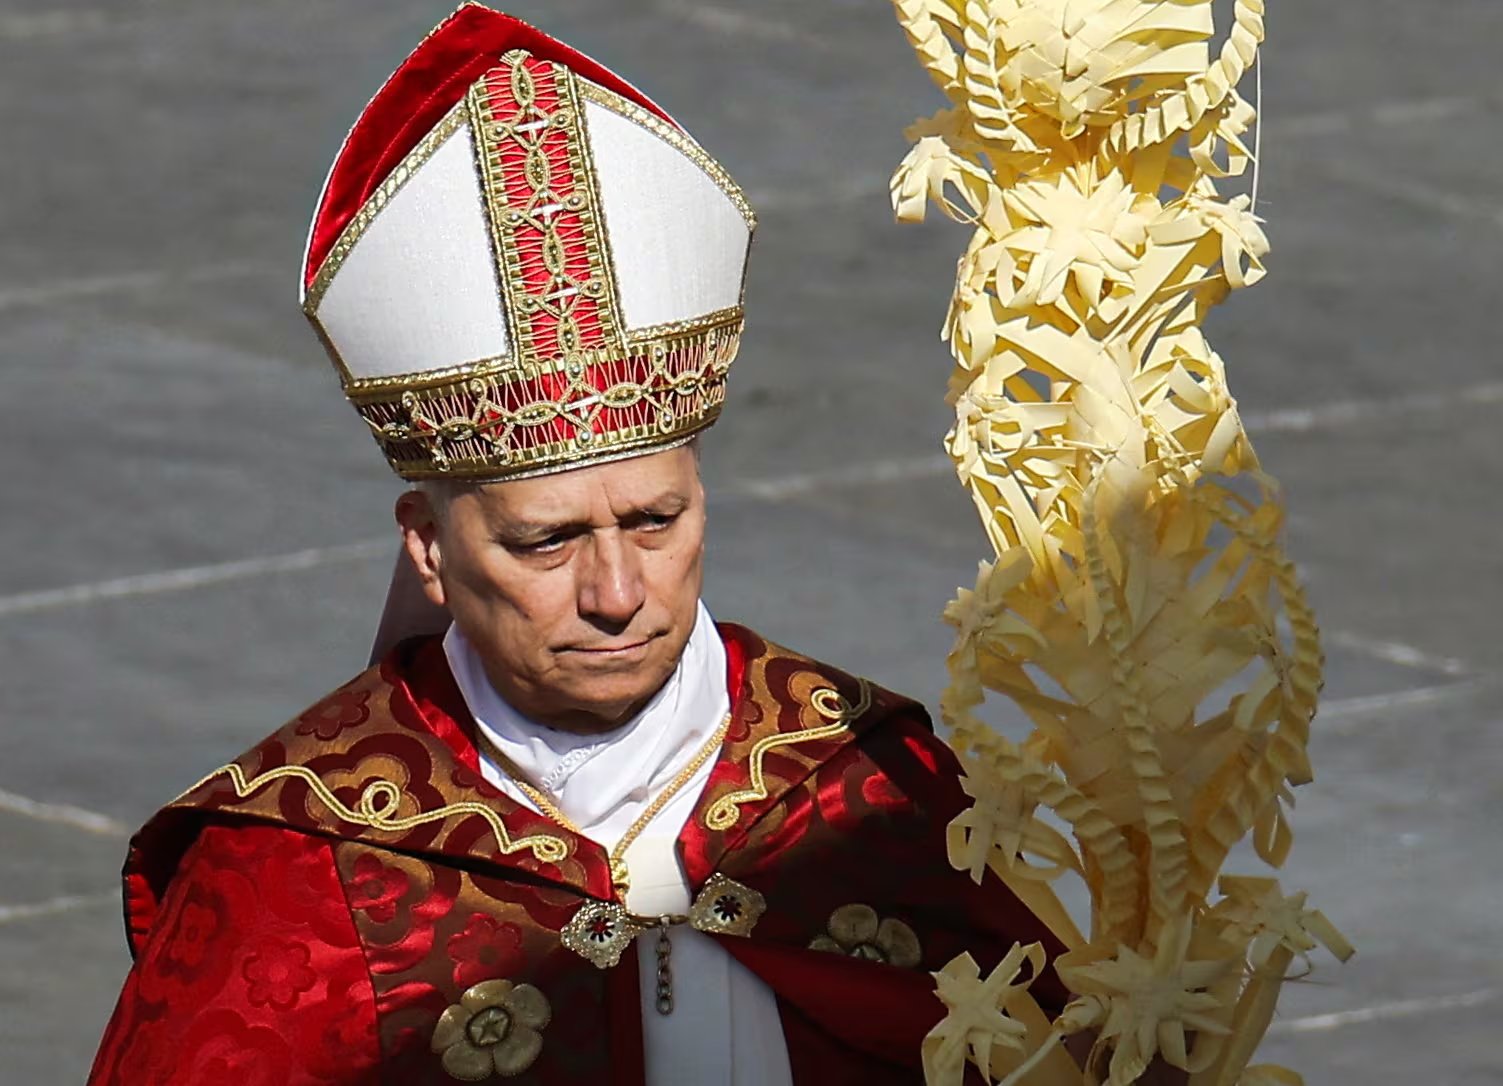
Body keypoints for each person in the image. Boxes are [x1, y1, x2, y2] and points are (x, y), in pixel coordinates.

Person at [84, 5, 1073, 1083]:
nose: (618, 592)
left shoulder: (867, 781)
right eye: (547, 542)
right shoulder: (298, 863)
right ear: (428, 548)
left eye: (656, 522)